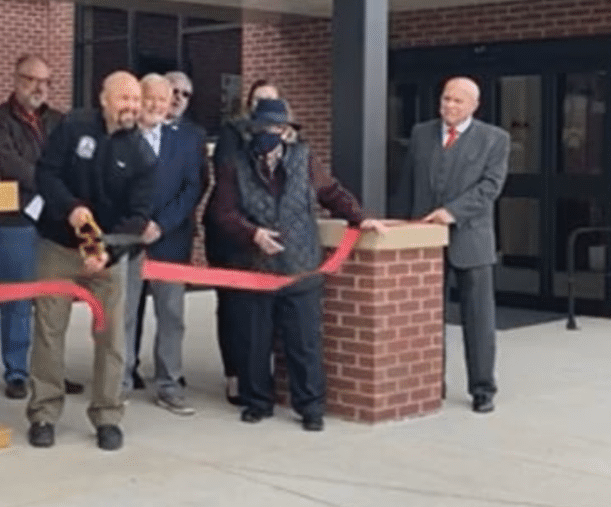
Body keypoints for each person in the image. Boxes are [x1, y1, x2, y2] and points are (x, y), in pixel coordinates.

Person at [209, 98, 385, 431]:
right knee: (253, 342)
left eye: (276, 128)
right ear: (252, 130)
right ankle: (257, 402)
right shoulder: (234, 164)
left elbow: (332, 193)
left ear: (287, 132)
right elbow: (223, 213)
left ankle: (311, 407)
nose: (269, 135)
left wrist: (360, 219)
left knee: (304, 342)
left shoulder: (305, 160)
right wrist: (253, 234)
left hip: (300, 265)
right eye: (263, 128)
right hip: (256, 266)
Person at [27, 71, 155, 451]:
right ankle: (44, 414)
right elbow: (45, 174)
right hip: (59, 246)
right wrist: (69, 209)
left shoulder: (142, 154)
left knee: (112, 336)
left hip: (109, 255)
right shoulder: (73, 126)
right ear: (104, 99)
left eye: (136, 101)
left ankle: (107, 416)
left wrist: (108, 252)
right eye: (124, 99)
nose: (131, 108)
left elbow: (139, 216)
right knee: (49, 331)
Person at [392, 76, 510, 414]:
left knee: (478, 319)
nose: (450, 106)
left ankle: (482, 389)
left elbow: (491, 187)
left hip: (470, 239)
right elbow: (407, 185)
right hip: (425, 240)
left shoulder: (494, 139)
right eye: (446, 99)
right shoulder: (421, 133)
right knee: (427, 315)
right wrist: (402, 227)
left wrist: (453, 212)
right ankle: (430, 383)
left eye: (458, 101)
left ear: (474, 105)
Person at [0, 54, 82, 399]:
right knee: (18, 297)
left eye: (46, 81)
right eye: (32, 79)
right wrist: (53, 182)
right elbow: (11, 166)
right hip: (16, 219)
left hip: (54, 220)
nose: (39, 87)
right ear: (16, 78)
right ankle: (17, 371)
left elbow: (74, 161)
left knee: (53, 299)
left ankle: (49, 371)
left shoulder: (60, 121)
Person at [122, 74, 207, 415]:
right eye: (150, 98)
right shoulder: (120, 136)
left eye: (164, 99)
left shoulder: (187, 139)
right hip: (127, 239)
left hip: (170, 239)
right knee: (124, 314)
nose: (158, 105)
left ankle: (169, 384)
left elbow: (193, 187)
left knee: (171, 315)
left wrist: (162, 224)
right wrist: (136, 224)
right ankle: (121, 382)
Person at [204, 79, 281, 405]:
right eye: (258, 100)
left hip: (267, 234)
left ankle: (260, 374)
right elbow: (228, 181)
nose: (263, 107)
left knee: (265, 310)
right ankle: (234, 374)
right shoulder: (232, 134)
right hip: (230, 231)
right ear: (249, 104)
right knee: (233, 307)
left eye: (271, 101)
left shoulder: (284, 136)